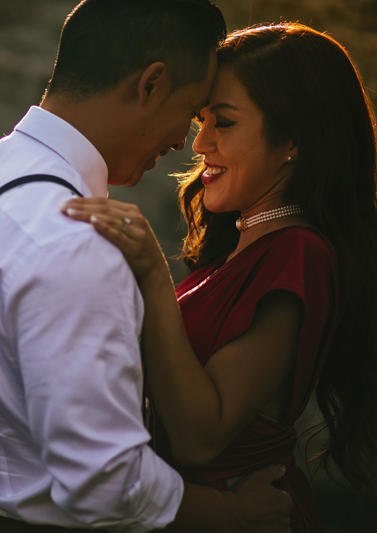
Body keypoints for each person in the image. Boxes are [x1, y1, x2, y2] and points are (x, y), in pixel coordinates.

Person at [0, 1, 293, 531]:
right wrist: (235, 514)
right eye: (191, 112)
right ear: (151, 85)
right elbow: (108, 483)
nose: (186, 141)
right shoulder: (75, 240)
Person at [62, 22, 377, 531]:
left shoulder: (298, 254)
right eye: (199, 120)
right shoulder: (239, 250)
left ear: (293, 139)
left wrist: (151, 276)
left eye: (223, 123)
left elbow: (201, 437)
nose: (200, 143)